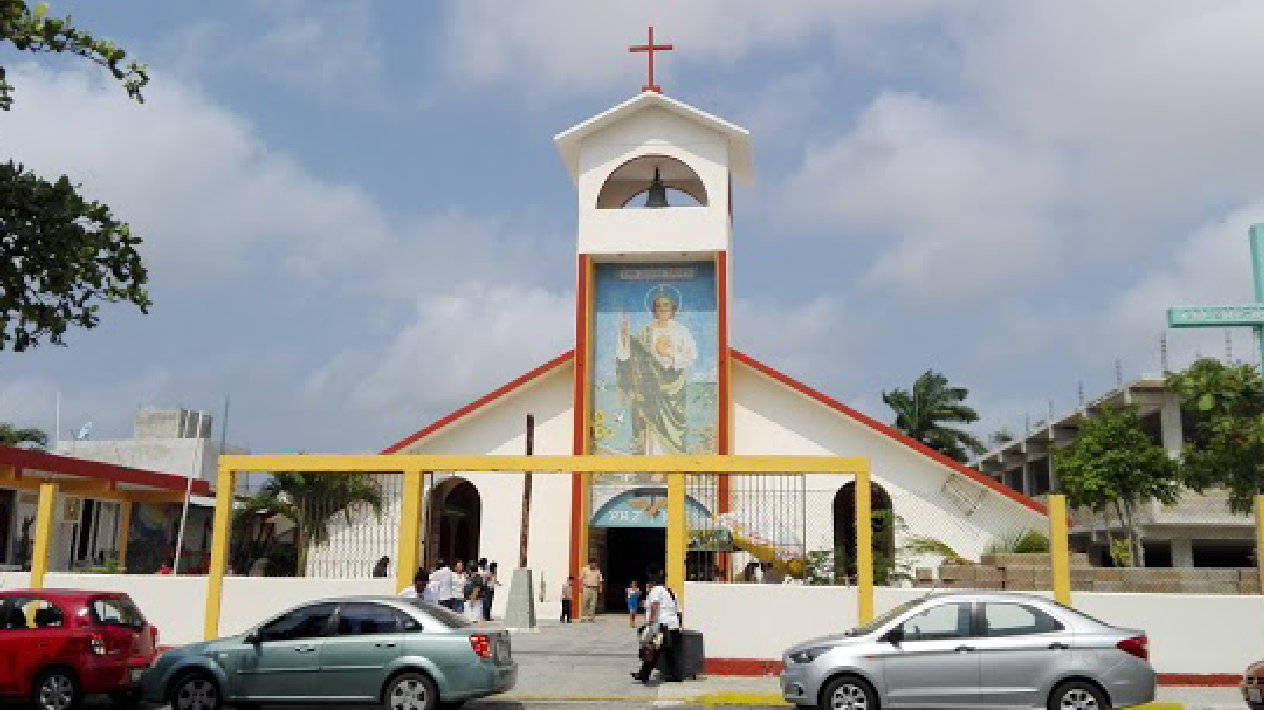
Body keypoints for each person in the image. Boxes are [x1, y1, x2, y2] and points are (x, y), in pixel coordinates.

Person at [616, 286, 699, 455]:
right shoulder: (647, 330)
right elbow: (633, 353)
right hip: (650, 388)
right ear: (654, 310)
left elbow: (691, 356)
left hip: (673, 389)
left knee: (672, 430)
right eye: (659, 307)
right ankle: (652, 465)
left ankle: (672, 466)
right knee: (651, 427)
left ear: (673, 309)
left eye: (666, 306)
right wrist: (625, 337)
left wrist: (670, 353)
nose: (663, 310)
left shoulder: (681, 331)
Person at [632, 572, 682, 684]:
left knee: (652, 650)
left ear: (652, 582)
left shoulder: (655, 590)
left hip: (662, 626)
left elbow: (655, 605)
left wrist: (651, 621)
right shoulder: (671, 592)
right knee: (665, 653)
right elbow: (678, 611)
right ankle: (645, 674)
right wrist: (680, 626)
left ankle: (645, 675)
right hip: (673, 626)